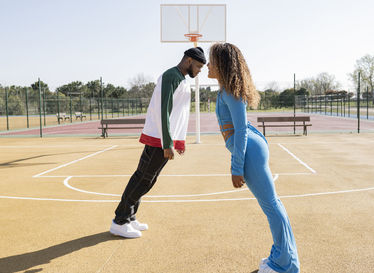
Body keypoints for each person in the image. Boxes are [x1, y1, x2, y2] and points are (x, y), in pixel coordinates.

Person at [207, 43, 300, 273]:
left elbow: (240, 130)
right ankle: (281, 257)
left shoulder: (230, 91)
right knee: (273, 205)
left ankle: (285, 264)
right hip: (251, 149)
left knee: (271, 205)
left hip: (250, 152)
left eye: (211, 60)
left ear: (222, 64)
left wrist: (236, 167)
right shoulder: (225, 90)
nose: (208, 64)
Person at [110, 47, 206, 238]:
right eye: (198, 66)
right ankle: (119, 221)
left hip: (165, 138)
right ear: (188, 60)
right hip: (159, 139)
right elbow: (164, 110)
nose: (200, 71)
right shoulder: (171, 76)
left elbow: (179, 114)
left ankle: (130, 216)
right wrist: (167, 142)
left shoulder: (181, 79)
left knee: (148, 179)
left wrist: (179, 141)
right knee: (143, 178)